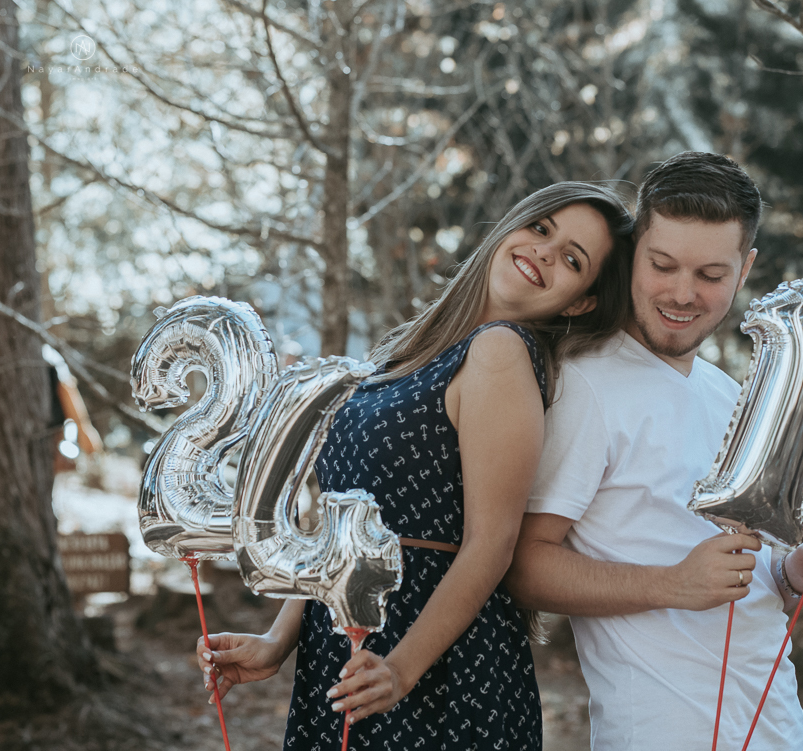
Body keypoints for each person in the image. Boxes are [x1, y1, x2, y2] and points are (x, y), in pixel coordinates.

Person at [195, 181, 635, 750]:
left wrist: (402, 668)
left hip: (439, 670)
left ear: (580, 301)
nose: (546, 252)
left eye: (573, 260)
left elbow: (492, 543)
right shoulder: (398, 354)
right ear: (512, 228)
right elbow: (338, 529)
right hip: (350, 653)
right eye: (542, 228)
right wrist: (279, 642)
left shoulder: (500, 351)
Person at [505, 152, 803, 751]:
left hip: (779, 728)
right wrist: (672, 584)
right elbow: (525, 567)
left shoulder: (730, 396)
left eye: (711, 276)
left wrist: (795, 570)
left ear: (744, 270)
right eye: (662, 265)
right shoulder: (587, 385)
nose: (682, 293)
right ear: (633, 251)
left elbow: (744, 573)